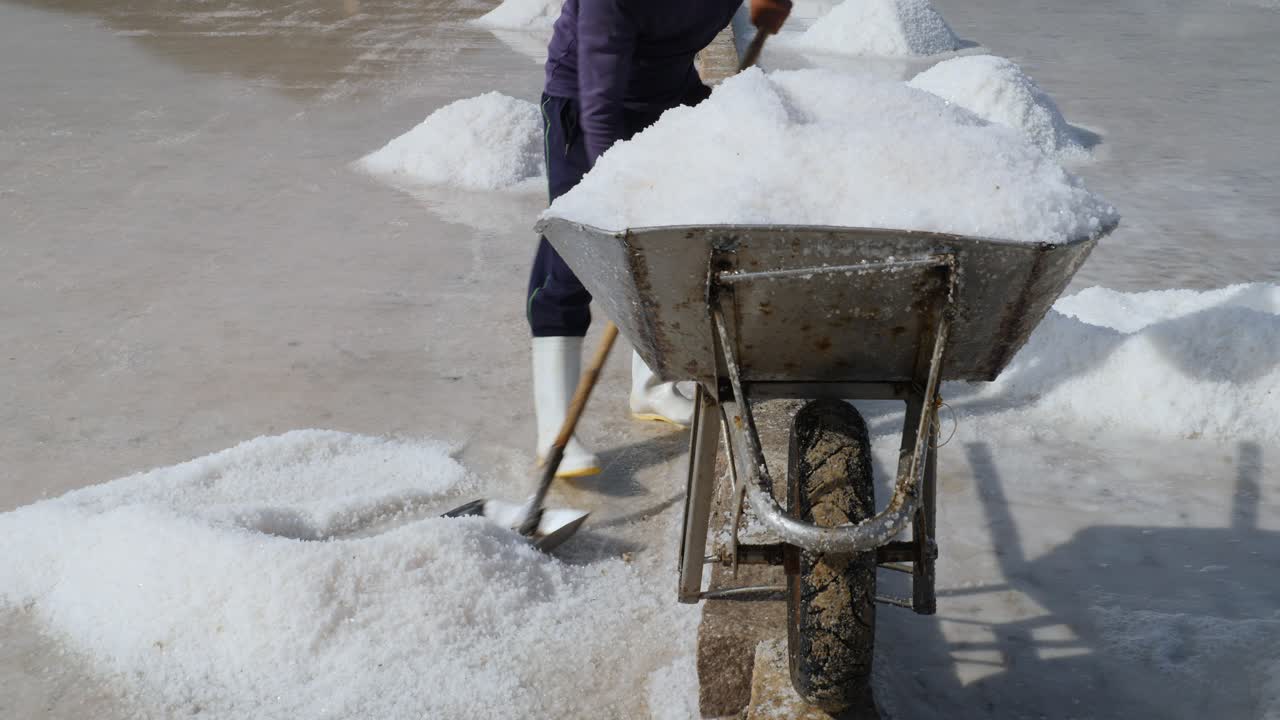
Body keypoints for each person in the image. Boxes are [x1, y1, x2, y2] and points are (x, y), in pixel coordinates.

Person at [528, 0, 792, 477]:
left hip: (668, 96)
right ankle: (555, 431)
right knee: (573, 256)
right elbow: (600, 101)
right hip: (587, 103)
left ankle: (652, 387)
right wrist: (618, 183)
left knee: (671, 247)